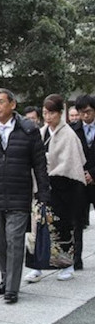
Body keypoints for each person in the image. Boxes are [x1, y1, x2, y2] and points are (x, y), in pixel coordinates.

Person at [0, 88, 50, 304]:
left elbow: (40, 164)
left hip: (19, 194)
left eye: (0, 102)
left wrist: (43, 192)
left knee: (15, 241)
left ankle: (12, 288)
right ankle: (4, 277)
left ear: (12, 104)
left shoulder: (29, 130)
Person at [25, 94, 86, 283]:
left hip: (62, 188)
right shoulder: (41, 132)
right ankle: (36, 266)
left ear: (60, 113)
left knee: (62, 228)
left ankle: (66, 265)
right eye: (45, 113)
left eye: (52, 113)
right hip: (41, 186)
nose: (48, 117)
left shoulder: (68, 135)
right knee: (36, 228)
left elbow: (72, 162)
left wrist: (52, 170)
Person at [70, 94, 95, 270]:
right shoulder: (72, 131)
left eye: (88, 112)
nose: (85, 116)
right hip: (79, 183)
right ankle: (76, 259)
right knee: (77, 222)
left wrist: (93, 174)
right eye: (81, 113)